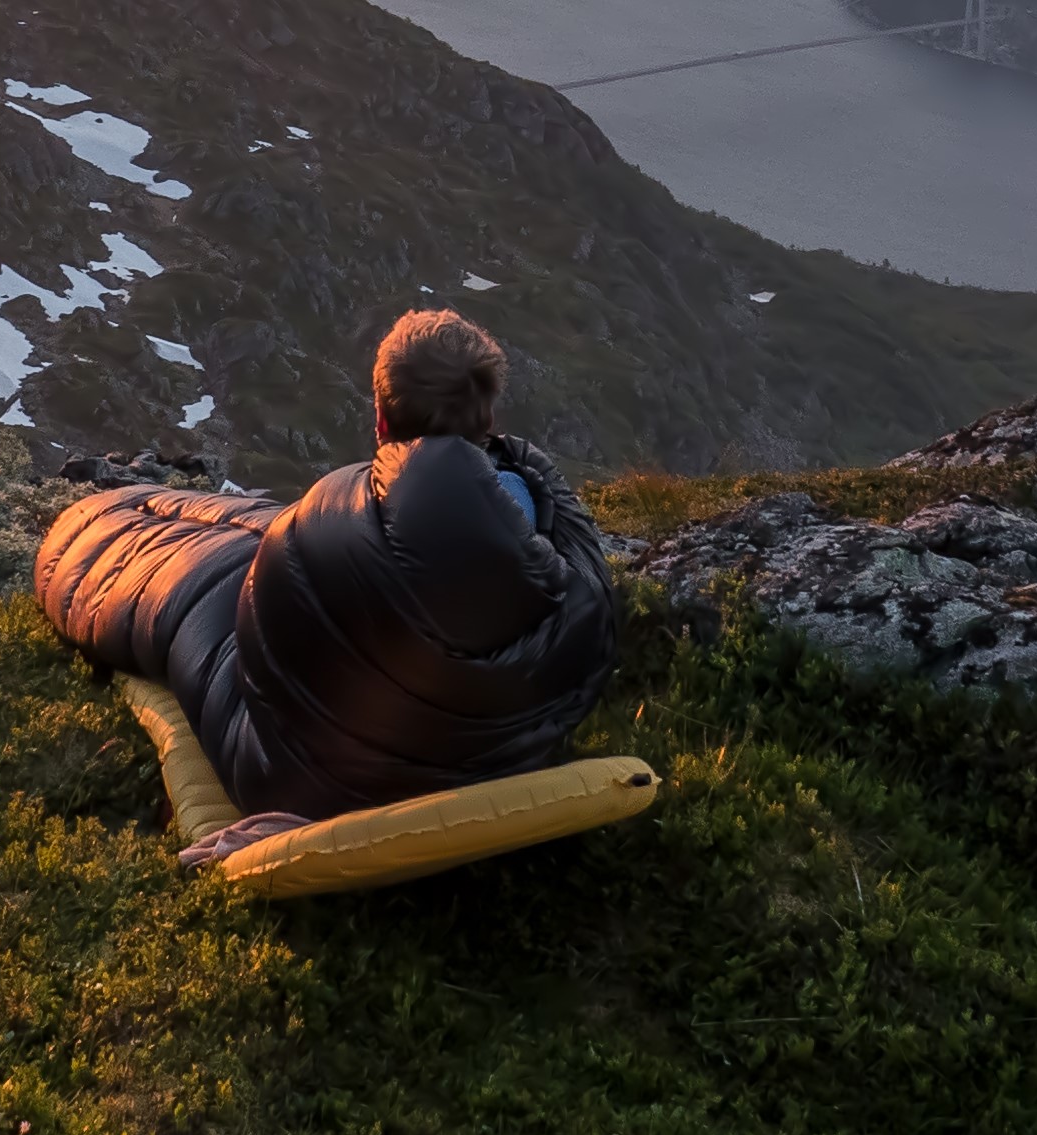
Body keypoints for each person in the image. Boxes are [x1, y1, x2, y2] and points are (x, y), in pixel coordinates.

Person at [33, 307, 617, 868]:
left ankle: (100, 513)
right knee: (250, 530)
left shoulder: (323, 519)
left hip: (294, 775)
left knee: (123, 547)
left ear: (382, 419)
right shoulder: (554, 549)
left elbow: (264, 653)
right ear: (488, 418)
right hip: (491, 748)